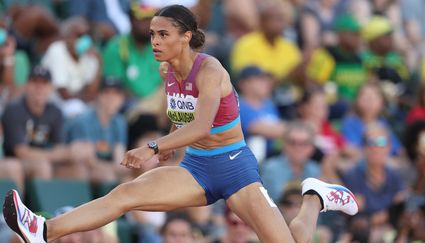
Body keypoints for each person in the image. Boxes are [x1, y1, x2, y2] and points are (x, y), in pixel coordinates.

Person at [2, 5, 358, 243]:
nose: (155, 41)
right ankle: (43, 229)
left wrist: (153, 147)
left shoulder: (212, 70)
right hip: (197, 168)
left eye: (163, 35)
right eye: (153, 34)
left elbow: (203, 125)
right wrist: (171, 147)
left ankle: (314, 197)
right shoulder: (166, 71)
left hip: (235, 169)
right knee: (127, 194)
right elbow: (182, 119)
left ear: (186, 36)